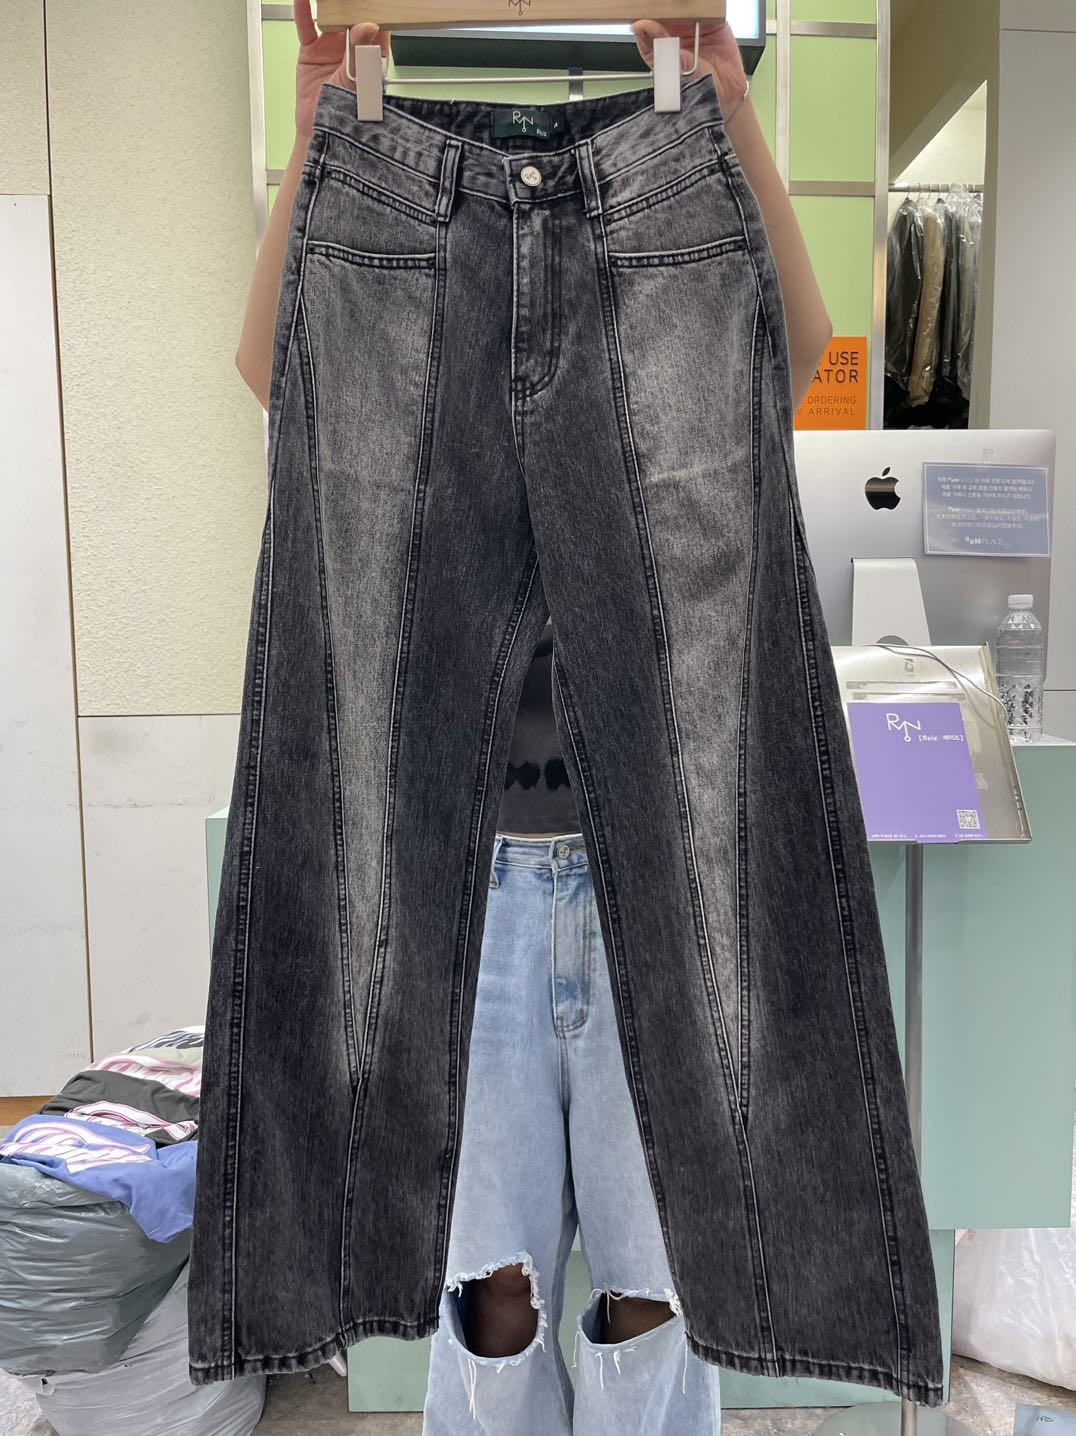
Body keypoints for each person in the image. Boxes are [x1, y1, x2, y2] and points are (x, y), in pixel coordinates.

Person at [235, 6, 832, 1431]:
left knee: (655, 1287)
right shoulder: (409, 377)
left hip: (656, 889)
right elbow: (275, 371)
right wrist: (322, 140)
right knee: (486, 1300)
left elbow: (790, 351)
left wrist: (730, 118)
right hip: (469, 881)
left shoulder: (657, 361)